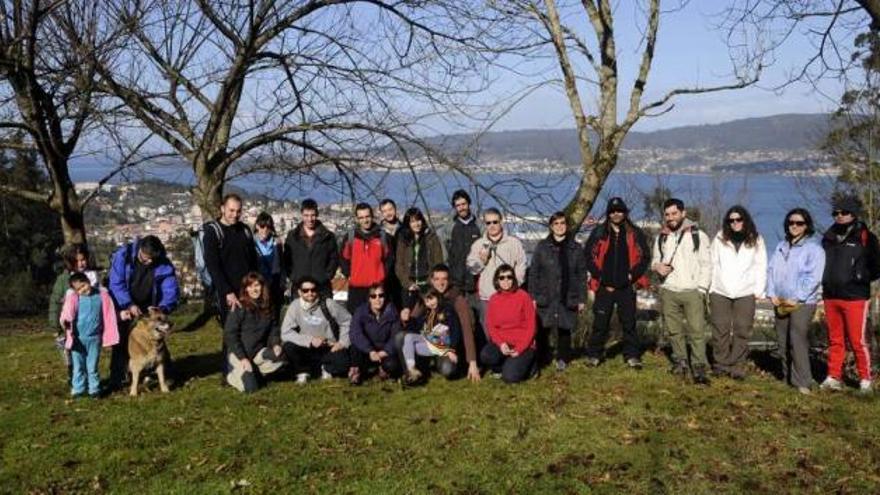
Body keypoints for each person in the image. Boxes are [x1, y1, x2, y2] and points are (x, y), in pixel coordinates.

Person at [819, 194, 880, 393]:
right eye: (836, 213)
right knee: (835, 339)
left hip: (855, 297)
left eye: (844, 212)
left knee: (857, 340)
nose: (839, 216)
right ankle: (833, 376)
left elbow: (876, 265)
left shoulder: (865, 237)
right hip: (831, 295)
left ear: (853, 214)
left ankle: (865, 379)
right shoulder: (828, 237)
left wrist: (860, 277)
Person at [651, 198, 713, 385]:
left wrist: (701, 289)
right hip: (669, 290)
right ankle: (680, 362)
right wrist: (657, 267)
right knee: (674, 331)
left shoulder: (698, 235)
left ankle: (699, 367)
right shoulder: (661, 236)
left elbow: (706, 264)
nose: (670, 218)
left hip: (692, 290)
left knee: (697, 331)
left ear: (683, 213)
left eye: (674, 213)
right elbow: (655, 260)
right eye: (667, 214)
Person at [583, 198, 650, 369]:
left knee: (629, 323)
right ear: (608, 214)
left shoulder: (634, 233)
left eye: (619, 211)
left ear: (624, 212)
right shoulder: (599, 232)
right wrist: (599, 276)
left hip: (626, 286)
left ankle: (632, 356)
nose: (616, 214)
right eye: (613, 211)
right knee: (600, 323)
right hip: (604, 286)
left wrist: (632, 275)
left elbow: (645, 258)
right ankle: (594, 355)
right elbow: (588, 256)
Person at [107, 235, 180, 390]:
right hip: (125, 303)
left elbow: (170, 287)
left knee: (156, 340)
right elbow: (116, 283)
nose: (149, 262)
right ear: (140, 249)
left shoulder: (163, 263)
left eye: (153, 259)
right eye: (146, 258)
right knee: (121, 340)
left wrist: (164, 307)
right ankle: (119, 375)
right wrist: (128, 304)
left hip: (150, 304)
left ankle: (163, 374)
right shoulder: (123, 256)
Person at [767, 208, 825, 394]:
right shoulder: (781, 246)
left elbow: (814, 277)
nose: (794, 226)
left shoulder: (814, 249)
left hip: (802, 302)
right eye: (791, 222)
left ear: (806, 226)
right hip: (781, 300)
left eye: (799, 223)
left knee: (797, 339)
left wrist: (797, 297)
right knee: (782, 340)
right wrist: (771, 292)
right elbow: (771, 270)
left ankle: (803, 382)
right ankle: (787, 377)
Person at [707, 205, 767, 380]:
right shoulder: (719, 238)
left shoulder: (756, 239)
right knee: (720, 328)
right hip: (720, 290)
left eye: (738, 219)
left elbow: (760, 265)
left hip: (745, 291)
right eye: (731, 220)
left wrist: (758, 290)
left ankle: (737, 364)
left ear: (745, 220)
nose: (735, 223)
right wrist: (711, 286)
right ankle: (720, 364)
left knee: (742, 328)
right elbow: (713, 262)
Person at [528, 211, 588, 372]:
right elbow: (534, 272)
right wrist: (532, 296)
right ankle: (542, 357)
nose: (560, 226)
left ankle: (562, 358)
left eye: (562, 223)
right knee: (542, 329)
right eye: (556, 223)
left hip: (567, 294)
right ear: (551, 226)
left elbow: (582, 275)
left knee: (564, 329)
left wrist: (582, 298)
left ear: (567, 226)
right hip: (545, 294)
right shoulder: (542, 247)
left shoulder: (575, 248)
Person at [402, 264, 481, 382]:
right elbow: (414, 320)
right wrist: (406, 315)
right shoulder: (428, 295)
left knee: (447, 369)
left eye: (444, 279)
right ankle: (411, 372)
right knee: (402, 338)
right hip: (430, 342)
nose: (441, 283)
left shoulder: (457, 299)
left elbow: (466, 330)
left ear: (449, 281)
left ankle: (450, 364)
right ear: (432, 280)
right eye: (437, 279)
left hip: (448, 345)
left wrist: (472, 362)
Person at [280, 276, 356, 385]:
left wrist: (342, 342)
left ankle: (326, 368)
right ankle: (303, 372)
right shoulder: (295, 306)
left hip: (328, 347)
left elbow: (347, 321)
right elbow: (286, 332)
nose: (310, 293)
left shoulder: (328, 304)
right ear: (299, 292)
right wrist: (310, 340)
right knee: (288, 346)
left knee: (344, 363)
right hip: (307, 347)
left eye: (313, 290)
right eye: (305, 291)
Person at [59, 272, 119, 398]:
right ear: (75, 291)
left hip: (94, 339)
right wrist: (64, 321)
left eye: (84, 285)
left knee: (92, 366)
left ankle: (94, 389)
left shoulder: (101, 295)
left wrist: (120, 316)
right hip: (78, 339)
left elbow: (109, 314)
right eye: (79, 289)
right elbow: (66, 312)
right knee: (78, 366)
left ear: (88, 281)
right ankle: (78, 389)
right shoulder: (74, 299)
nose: (83, 289)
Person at [466, 208, 527, 332]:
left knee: (509, 331)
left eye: (495, 222)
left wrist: (513, 285)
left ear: (501, 222)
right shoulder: (478, 244)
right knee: (489, 333)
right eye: (488, 223)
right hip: (487, 298)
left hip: (509, 296)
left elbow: (521, 266)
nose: (492, 225)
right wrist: (482, 261)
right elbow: (472, 269)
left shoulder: (513, 243)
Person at [223, 272, 285, 393]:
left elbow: (274, 328)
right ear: (245, 289)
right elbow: (230, 335)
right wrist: (243, 358)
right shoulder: (239, 307)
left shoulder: (268, 307)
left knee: (283, 357)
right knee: (251, 388)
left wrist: (276, 343)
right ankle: (232, 376)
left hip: (257, 353)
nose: (254, 289)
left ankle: (257, 370)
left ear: (262, 287)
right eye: (250, 286)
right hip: (239, 355)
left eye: (257, 285)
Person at [203, 193, 259, 325]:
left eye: (238, 211)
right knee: (231, 332)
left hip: (248, 290)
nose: (235, 215)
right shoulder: (213, 232)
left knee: (251, 330)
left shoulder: (245, 230)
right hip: (227, 292)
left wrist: (255, 285)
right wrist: (227, 292)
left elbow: (253, 261)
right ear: (222, 208)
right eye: (231, 210)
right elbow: (213, 266)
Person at [48, 243, 99, 382]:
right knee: (70, 356)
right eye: (77, 261)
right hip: (69, 326)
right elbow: (55, 303)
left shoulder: (93, 278)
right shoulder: (64, 280)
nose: (80, 263)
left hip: (88, 326)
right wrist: (55, 326)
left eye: (82, 260)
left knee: (88, 356)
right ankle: (74, 380)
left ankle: (90, 381)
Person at [481, 264, 537, 384]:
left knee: (509, 377)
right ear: (497, 280)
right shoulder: (494, 299)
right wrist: (501, 344)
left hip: (523, 344)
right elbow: (491, 325)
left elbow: (531, 326)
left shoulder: (523, 296)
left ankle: (531, 367)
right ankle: (505, 365)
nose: (506, 280)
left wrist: (520, 349)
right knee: (486, 355)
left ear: (514, 279)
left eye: (509, 277)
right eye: (502, 277)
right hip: (504, 343)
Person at [400, 289, 461, 385]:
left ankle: (433, 364)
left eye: (432, 299)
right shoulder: (426, 314)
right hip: (430, 344)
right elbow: (416, 327)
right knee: (408, 340)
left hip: (443, 344)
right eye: (427, 301)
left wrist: (451, 349)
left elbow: (455, 331)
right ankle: (412, 370)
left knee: (430, 335)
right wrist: (407, 320)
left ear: (437, 297)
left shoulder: (447, 310)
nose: (430, 303)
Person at [283, 198, 339, 298]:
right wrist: (294, 277)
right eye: (306, 215)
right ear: (301, 215)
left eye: (312, 215)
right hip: (299, 289)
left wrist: (326, 277)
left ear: (317, 214)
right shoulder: (292, 237)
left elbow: (334, 259)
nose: (310, 219)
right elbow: (287, 259)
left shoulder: (328, 237)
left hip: (322, 289)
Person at [340, 203, 390, 314]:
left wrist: (382, 276)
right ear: (357, 219)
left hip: (376, 289)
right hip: (356, 289)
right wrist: (349, 275)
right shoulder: (350, 237)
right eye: (361, 217)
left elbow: (389, 259)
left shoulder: (382, 236)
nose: (365, 220)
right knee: (355, 321)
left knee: (377, 323)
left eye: (367, 216)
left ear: (372, 216)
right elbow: (344, 259)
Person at [348, 283, 402, 382]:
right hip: (367, 351)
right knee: (354, 348)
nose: (377, 299)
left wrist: (385, 351)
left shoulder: (392, 311)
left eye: (381, 296)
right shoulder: (360, 311)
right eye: (373, 296)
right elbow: (355, 333)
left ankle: (384, 370)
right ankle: (356, 372)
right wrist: (370, 350)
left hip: (384, 351)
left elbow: (396, 335)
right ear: (369, 298)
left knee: (392, 365)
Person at [395, 207, 444, 308]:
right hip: (409, 286)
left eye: (418, 220)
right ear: (408, 223)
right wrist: (407, 283)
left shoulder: (431, 238)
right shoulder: (403, 240)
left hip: (428, 285)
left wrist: (432, 281)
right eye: (412, 221)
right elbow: (399, 265)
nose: (416, 224)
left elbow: (438, 262)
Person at [446, 190, 481, 297]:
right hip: (456, 283)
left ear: (469, 204)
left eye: (464, 204)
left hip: (476, 283)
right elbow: (445, 255)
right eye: (458, 205)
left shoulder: (479, 226)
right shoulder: (449, 228)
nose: (461, 208)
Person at [254, 212, 285, 318]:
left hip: (274, 284)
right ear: (257, 226)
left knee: (274, 315)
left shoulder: (277, 243)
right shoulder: (251, 243)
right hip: (258, 284)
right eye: (262, 226)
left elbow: (281, 264)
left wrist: (282, 283)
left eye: (268, 227)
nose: (265, 230)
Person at [379, 198, 403, 308]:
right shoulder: (378, 233)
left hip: (402, 276)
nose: (388, 213)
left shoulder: (404, 230)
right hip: (385, 276)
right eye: (385, 211)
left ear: (395, 209)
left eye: (390, 209)